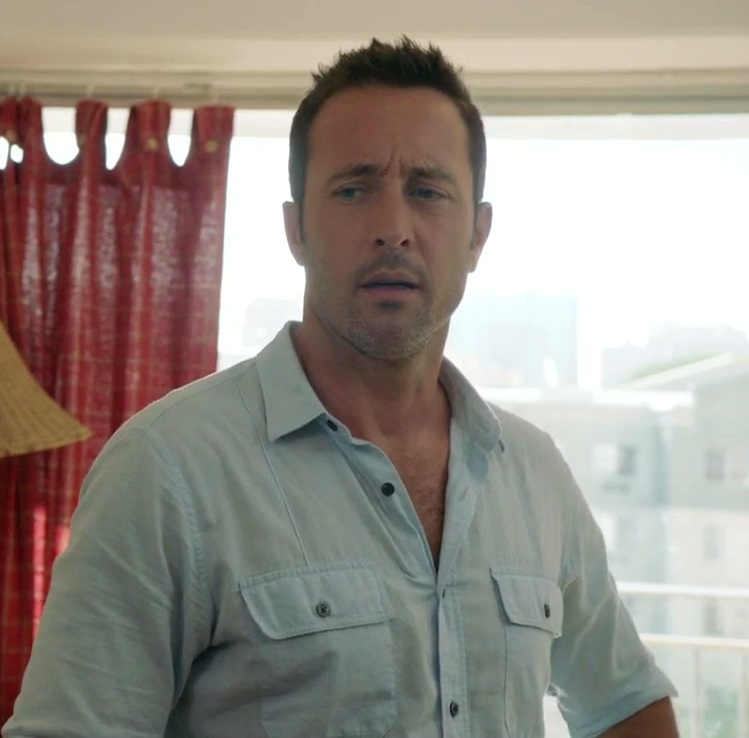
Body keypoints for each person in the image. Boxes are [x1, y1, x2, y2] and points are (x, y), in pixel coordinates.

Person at [3, 37, 679, 738]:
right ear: (295, 229)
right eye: (354, 190)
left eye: (427, 191)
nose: (393, 229)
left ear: (477, 234)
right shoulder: (168, 468)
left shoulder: (534, 474)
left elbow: (625, 703)